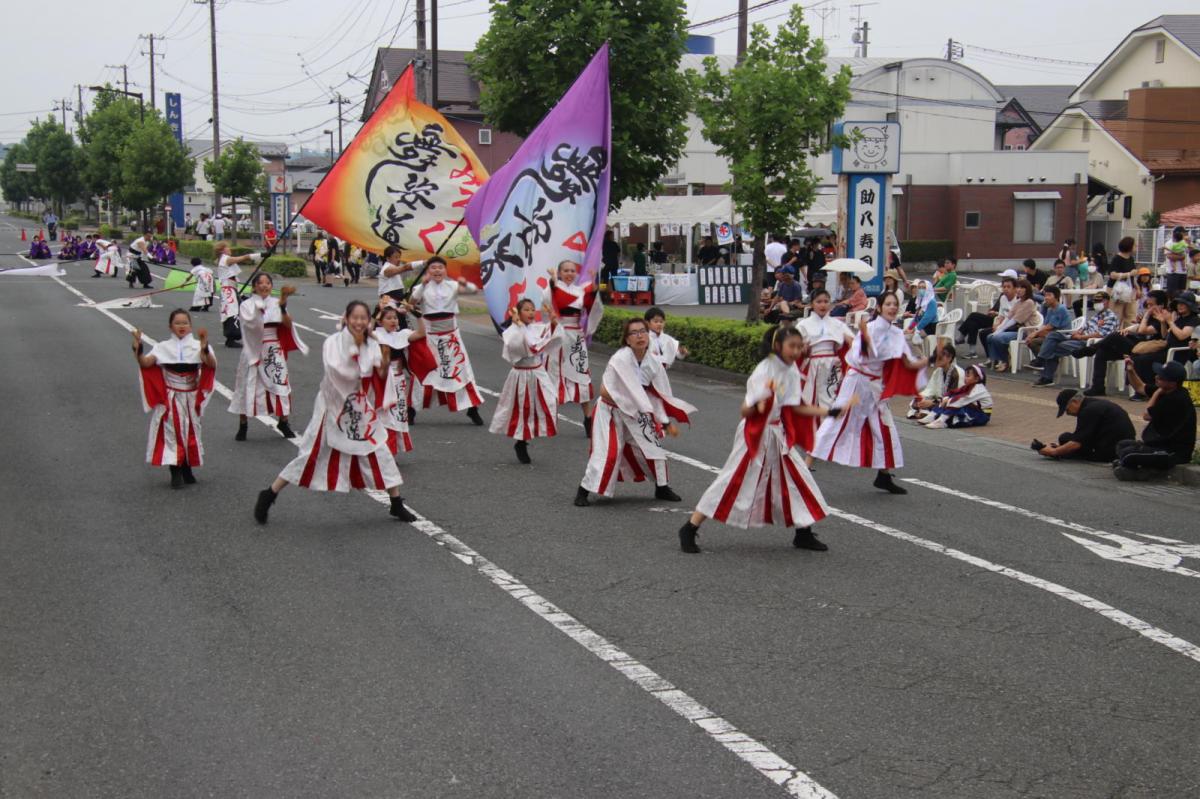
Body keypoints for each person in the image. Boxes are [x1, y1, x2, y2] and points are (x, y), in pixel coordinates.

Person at [678, 327, 841, 554]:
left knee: (799, 478)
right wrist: (758, 406)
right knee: (732, 480)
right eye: (791, 346)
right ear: (777, 347)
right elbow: (746, 409)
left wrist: (828, 412)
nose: (797, 350)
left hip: (776, 433)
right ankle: (690, 527)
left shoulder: (791, 370)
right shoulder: (765, 371)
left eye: (799, 345)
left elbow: (795, 406)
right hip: (756, 434)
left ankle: (803, 533)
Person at [253, 300, 418, 525]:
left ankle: (396, 503)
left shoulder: (373, 343)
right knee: (311, 456)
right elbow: (338, 371)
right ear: (347, 318)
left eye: (363, 318)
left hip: (360, 408)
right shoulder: (334, 342)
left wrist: (383, 364)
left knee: (380, 451)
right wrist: (358, 355)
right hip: (333, 408)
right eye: (355, 317)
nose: (359, 322)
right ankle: (270, 493)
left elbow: (378, 375)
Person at [811, 292, 929, 494]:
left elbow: (908, 363)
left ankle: (883, 475)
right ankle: (804, 469)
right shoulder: (871, 329)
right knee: (836, 422)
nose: (892, 308)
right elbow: (859, 355)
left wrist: (930, 359)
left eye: (895, 304)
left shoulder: (897, 333)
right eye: (888, 304)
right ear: (880, 308)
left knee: (884, 427)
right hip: (857, 382)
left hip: (875, 385)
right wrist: (866, 338)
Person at [574, 317, 696, 507]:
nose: (640, 336)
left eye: (643, 331)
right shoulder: (620, 359)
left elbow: (657, 395)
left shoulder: (653, 362)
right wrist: (632, 402)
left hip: (637, 413)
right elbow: (604, 391)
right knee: (608, 453)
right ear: (627, 339)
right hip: (610, 411)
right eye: (634, 333)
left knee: (654, 448)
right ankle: (583, 490)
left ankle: (662, 487)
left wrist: (664, 422)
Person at [131, 310, 218, 489]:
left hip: (191, 396)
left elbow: (211, 364)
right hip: (171, 396)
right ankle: (175, 470)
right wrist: (138, 349)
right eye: (177, 323)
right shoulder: (162, 347)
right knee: (172, 433)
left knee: (191, 431)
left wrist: (204, 348)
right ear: (170, 326)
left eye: (185, 323)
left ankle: (187, 467)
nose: (181, 326)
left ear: (190, 326)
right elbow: (146, 363)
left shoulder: (197, 345)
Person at [405, 256, 485, 424]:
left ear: (445, 270)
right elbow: (412, 303)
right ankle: (411, 410)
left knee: (462, 373)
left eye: (440, 267)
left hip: (452, 337)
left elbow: (474, 290)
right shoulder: (421, 287)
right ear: (428, 271)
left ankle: (473, 409)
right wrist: (424, 285)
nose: (437, 270)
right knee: (425, 373)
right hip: (431, 338)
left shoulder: (453, 286)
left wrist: (464, 283)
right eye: (433, 267)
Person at [229, 274, 307, 440]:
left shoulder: (276, 303)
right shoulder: (246, 305)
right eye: (260, 283)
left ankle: (283, 421)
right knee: (247, 386)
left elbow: (287, 324)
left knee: (281, 385)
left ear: (271, 286)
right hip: (253, 349)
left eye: (268, 283)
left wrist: (283, 307)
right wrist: (260, 309)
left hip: (273, 348)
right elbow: (250, 325)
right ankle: (243, 424)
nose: (264, 286)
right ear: (254, 286)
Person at [489, 298, 562, 464]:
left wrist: (553, 321)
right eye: (526, 309)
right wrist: (519, 327)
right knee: (523, 409)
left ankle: (530, 434)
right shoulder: (511, 332)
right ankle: (521, 442)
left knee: (550, 401)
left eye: (532, 309)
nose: (530, 312)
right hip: (521, 375)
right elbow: (524, 347)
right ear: (518, 313)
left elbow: (553, 337)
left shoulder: (536, 328)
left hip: (538, 372)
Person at [1112, 360, 1197, 479]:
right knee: (1123, 444)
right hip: (1157, 444)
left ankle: (1146, 471)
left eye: (1161, 377)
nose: (1156, 377)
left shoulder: (1177, 399)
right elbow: (1140, 387)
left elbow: (1146, 415)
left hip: (1173, 452)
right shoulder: (1167, 390)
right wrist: (1131, 371)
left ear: (1172, 383)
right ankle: (1138, 466)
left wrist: (1156, 394)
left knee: (1128, 454)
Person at [796, 290, 854, 460]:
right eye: (819, 301)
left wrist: (852, 343)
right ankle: (811, 439)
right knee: (809, 401)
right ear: (812, 304)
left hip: (832, 365)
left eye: (826, 301)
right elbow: (794, 346)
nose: (823, 305)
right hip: (812, 365)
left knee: (830, 401)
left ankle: (826, 442)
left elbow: (853, 343)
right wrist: (802, 349)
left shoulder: (838, 324)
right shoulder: (803, 325)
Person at [1077, 289, 1169, 396]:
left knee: (1116, 336)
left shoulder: (1163, 317)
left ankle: (1091, 349)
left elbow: (1143, 330)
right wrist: (1130, 329)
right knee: (1102, 352)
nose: (1148, 307)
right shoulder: (1152, 316)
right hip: (1138, 345)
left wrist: (1146, 316)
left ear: (1161, 305)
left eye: (1151, 305)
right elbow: (1138, 328)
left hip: (1148, 348)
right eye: (1147, 305)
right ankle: (1098, 386)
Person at [548, 259, 601, 436]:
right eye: (566, 271)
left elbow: (591, 307)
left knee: (581, 375)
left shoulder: (580, 291)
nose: (570, 273)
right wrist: (553, 282)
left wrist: (593, 290)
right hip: (559, 336)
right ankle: (549, 418)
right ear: (560, 272)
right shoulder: (553, 286)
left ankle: (588, 418)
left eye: (572, 271)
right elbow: (547, 303)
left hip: (576, 337)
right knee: (555, 375)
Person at [1032, 291, 1119, 387]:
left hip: (1089, 343)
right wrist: (1077, 332)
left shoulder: (1111, 317)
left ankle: (1045, 372)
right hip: (1078, 338)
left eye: (1100, 301)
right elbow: (1084, 327)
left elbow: (1102, 335)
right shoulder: (1096, 316)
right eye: (1095, 301)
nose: (1097, 304)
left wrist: (1081, 337)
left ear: (1107, 302)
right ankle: (1042, 363)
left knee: (1052, 347)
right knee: (1052, 336)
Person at [1034, 389, 1135, 462]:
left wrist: (1054, 452)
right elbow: (1082, 437)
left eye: (1067, 409)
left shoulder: (1088, 411)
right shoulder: (1095, 404)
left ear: (1074, 402)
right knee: (1065, 438)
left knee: (1066, 442)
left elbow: (1076, 443)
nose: (1068, 413)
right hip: (1121, 446)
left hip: (1109, 453)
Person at [374, 305, 421, 456]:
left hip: (398, 380)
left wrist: (416, 314)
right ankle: (382, 450)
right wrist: (377, 311)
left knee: (397, 415)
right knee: (383, 414)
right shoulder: (375, 335)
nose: (393, 321)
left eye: (395, 317)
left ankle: (391, 450)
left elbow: (422, 333)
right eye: (388, 318)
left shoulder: (401, 335)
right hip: (381, 380)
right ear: (380, 322)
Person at [215, 241, 260, 348]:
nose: (230, 249)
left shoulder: (223, 260)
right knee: (232, 313)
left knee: (235, 312)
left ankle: (232, 338)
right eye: (227, 247)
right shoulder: (226, 258)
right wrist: (260, 255)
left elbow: (233, 279)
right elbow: (243, 258)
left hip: (231, 289)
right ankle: (231, 338)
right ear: (222, 250)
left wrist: (241, 294)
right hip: (228, 291)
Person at [918, 365, 993, 429]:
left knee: (958, 406)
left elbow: (962, 399)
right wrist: (946, 398)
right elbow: (953, 392)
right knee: (952, 398)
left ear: (977, 379)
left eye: (968, 376)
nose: (965, 378)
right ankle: (933, 415)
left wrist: (947, 401)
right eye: (965, 376)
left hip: (982, 415)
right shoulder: (969, 386)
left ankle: (941, 420)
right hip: (974, 410)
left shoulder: (979, 389)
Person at [959, 275, 1016, 358]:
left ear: (1015, 287)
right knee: (973, 322)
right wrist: (995, 321)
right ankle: (978, 353)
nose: (1006, 289)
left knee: (974, 316)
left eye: (1008, 287)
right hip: (998, 320)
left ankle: (961, 337)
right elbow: (1001, 314)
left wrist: (997, 319)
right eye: (1004, 286)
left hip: (1009, 324)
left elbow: (1011, 317)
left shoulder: (1017, 300)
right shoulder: (1003, 297)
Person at [908, 343, 964, 419]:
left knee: (949, 407)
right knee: (917, 400)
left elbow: (955, 398)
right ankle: (926, 412)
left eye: (940, 357)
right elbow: (930, 390)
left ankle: (927, 413)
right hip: (939, 400)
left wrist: (932, 403)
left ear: (950, 358)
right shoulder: (938, 371)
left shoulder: (957, 373)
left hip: (954, 403)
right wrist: (922, 399)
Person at [1022, 285, 1072, 363]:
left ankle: (1043, 361)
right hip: (1052, 333)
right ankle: (1044, 360)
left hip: (1062, 335)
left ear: (1056, 297)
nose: (1046, 297)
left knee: (1033, 342)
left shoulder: (1060, 308)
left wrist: (1035, 333)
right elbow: (1045, 325)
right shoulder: (1050, 309)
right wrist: (1036, 333)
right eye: (1045, 295)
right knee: (1030, 340)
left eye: (1049, 295)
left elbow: (1051, 326)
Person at [646, 306, 689, 376]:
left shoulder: (668, 339)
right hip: (648, 373)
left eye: (661, 321)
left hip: (662, 374)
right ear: (647, 323)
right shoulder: (645, 338)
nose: (659, 324)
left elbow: (678, 355)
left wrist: (682, 352)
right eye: (656, 321)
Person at [1162, 226, 1191, 296]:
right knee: (1172, 294)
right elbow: (1170, 256)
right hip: (1173, 273)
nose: (1185, 235)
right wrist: (1181, 257)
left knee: (1181, 293)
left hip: (1183, 272)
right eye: (1184, 233)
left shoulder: (1183, 242)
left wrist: (1189, 242)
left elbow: (1189, 252)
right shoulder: (1169, 243)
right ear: (1178, 233)